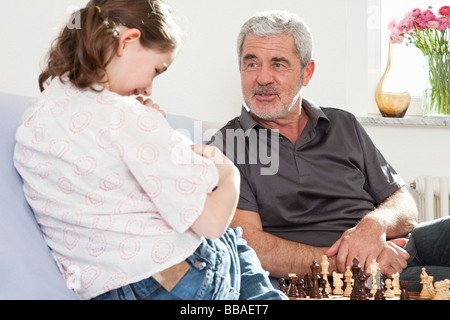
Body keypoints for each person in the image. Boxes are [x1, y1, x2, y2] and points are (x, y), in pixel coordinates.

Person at [14, 0, 286, 301]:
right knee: (231, 236)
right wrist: (229, 173)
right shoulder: (128, 117)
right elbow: (210, 222)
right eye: (156, 70)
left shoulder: (36, 115)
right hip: (179, 282)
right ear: (128, 41)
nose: (149, 88)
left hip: (105, 293)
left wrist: (153, 129)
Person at [209, 10, 449, 292]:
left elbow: (404, 204)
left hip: (400, 245)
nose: (263, 78)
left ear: (306, 73)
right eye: (251, 64)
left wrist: (373, 226)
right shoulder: (227, 145)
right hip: (350, 277)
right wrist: (355, 262)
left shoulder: (342, 123)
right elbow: (249, 244)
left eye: (278, 64)